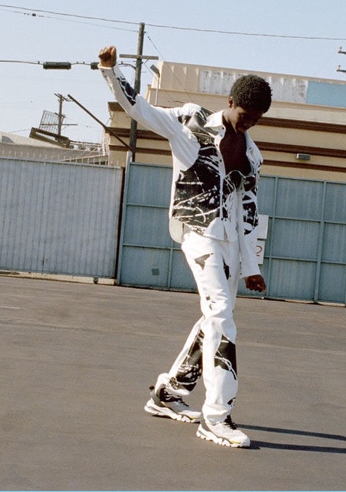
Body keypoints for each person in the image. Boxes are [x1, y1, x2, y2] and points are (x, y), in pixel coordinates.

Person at [98, 45, 271, 448]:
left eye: (257, 120)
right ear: (230, 103)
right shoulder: (190, 122)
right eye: (245, 116)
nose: (249, 124)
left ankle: (167, 394)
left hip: (230, 245)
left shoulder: (252, 155)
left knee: (211, 319)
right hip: (199, 235)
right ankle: (216, 416)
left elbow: (248, 210)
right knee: (222, 316)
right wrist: (111, 71)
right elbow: (140, 109)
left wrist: (252, 265)